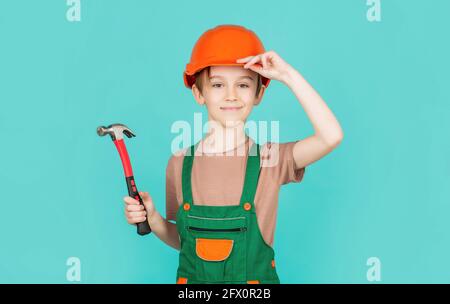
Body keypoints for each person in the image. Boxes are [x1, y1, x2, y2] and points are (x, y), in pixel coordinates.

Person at [123, 24, 343, 284]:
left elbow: (331, 136)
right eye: (217, 84)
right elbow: (186, 242)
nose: (231, 96)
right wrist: (154, 219)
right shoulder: (179, 163)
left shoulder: (270, 160)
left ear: (259, 93)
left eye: (243, 84)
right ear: (198, 93)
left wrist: (287, 75)